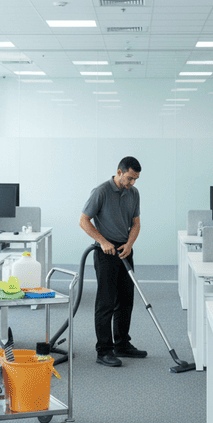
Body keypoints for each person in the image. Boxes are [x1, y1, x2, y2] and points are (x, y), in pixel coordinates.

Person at [79, 156, 144, 368]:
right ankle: (104, 350)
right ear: (119, 172)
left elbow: (136, 223)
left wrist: (130, 243)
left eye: (135, 179)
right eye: (130, 178)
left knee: (126, 300)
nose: (132, 182)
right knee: (106, 302)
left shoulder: (133, 193)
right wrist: (103, 241)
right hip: (106, 252)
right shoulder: (101, 192)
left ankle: (122, 344)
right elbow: (83, 221)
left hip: (125, 250)